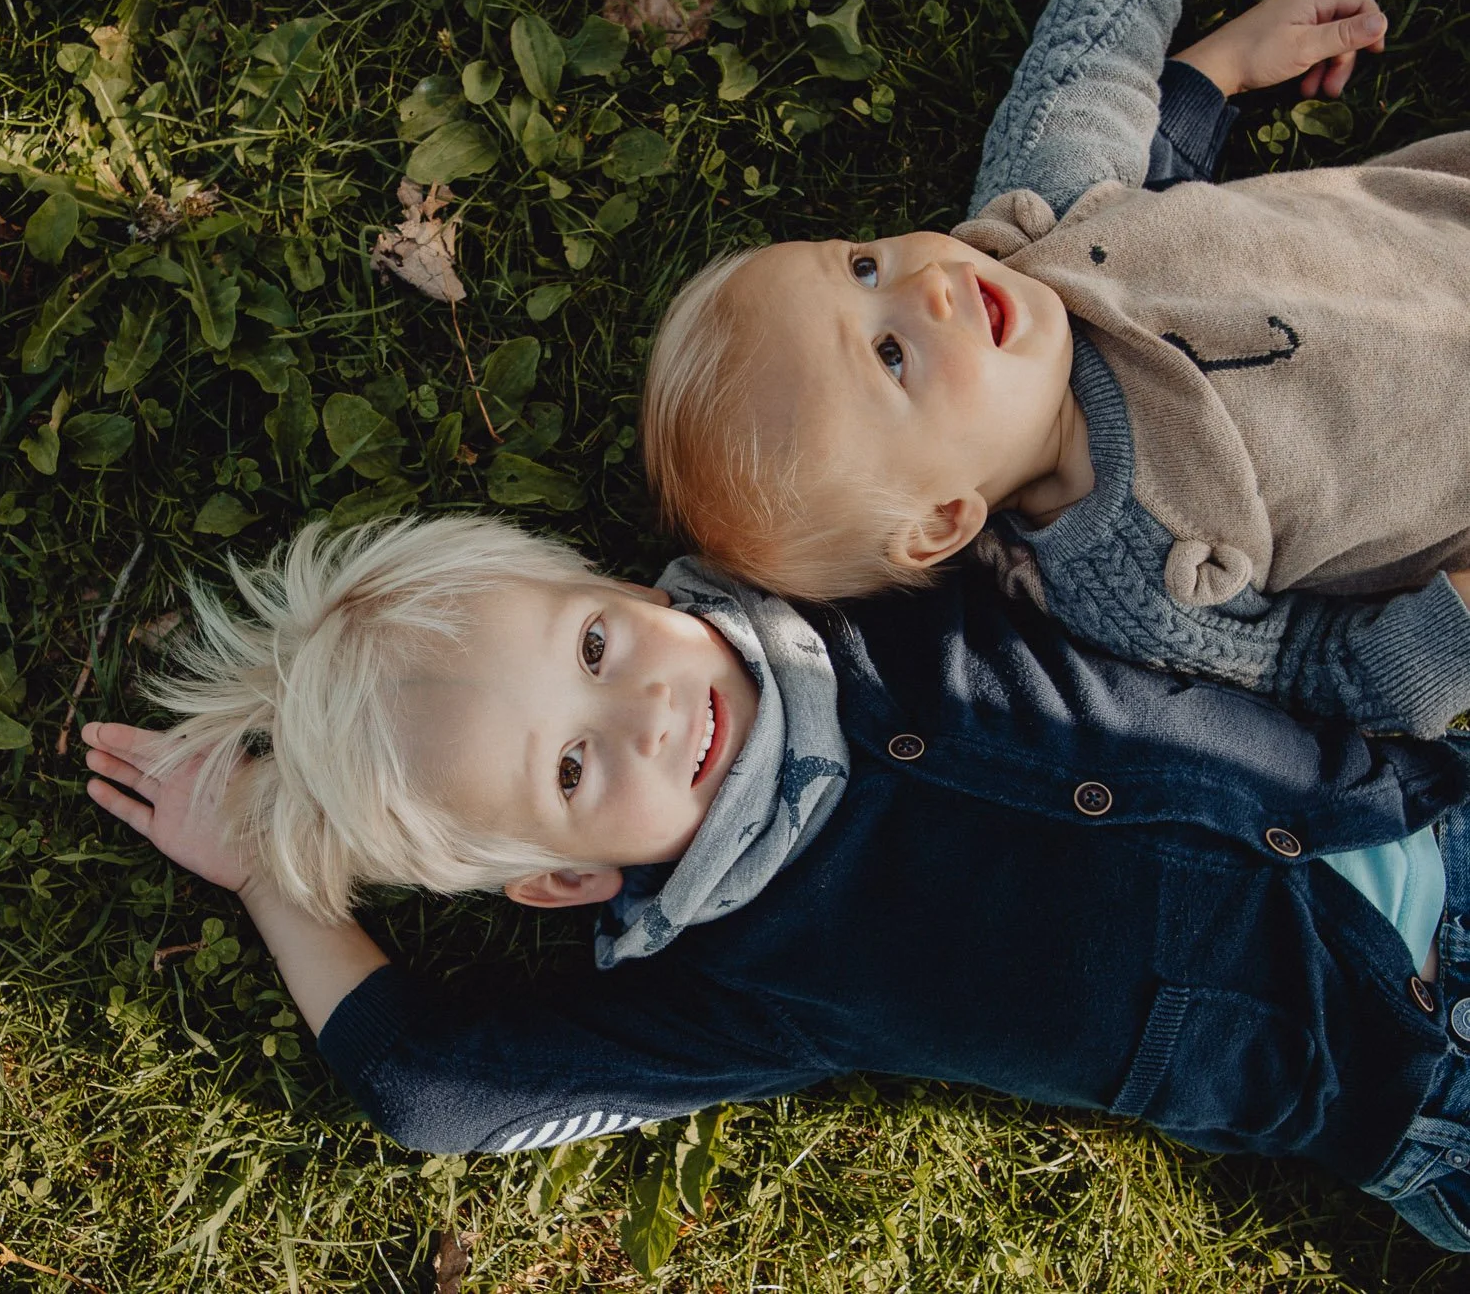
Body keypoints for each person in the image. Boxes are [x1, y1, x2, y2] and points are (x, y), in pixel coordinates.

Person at [84, 510, 1470, 1252]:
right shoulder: (736, 987)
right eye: (571, 771)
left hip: (1427, 812)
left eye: (590, 649)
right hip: (1403, 1079)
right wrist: (274, 874)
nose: (639, 715)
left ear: (613, 584)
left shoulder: (840, 587)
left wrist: (1190, 95)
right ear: (567, 882)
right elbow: (432, 1094)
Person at [640, 0, 1470, 742]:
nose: (928, 286)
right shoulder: (1134, 587)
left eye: (862, 264)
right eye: (889, 354)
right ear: (942, 520)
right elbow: (1318, 676)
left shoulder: (1038, 223)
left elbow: (1088, 66)